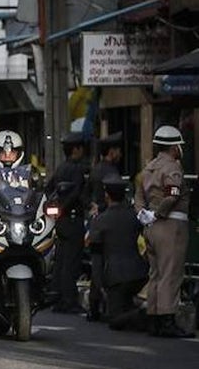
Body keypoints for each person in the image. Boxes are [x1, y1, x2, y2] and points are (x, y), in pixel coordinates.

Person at [135, 125, 193, 338]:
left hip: (150, 227)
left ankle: (154, 318)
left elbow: (139, 196)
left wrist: (144, 214)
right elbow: (172, 195)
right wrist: (159, 213)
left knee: (156, 273)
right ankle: (167, 319)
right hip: (171, 226)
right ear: (174, 147)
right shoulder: (172, 168)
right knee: (171, 273)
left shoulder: (148, 168)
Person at [87, 178, 149, 332]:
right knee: (124, 303)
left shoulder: (100, 221)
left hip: (115, 277)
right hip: (139, 272)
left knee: (114, 319)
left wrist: (95, 297)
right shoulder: (134, 216)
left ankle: (147, 313)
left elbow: (96, 260)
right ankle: (139, 313)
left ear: (107, 195)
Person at [47, 131, 90, 315]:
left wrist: (55, 207)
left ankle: (56, 296)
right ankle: (69, 300)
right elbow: (76, 193)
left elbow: (48, 188)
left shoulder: (60, 168)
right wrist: (64, 206)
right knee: (71, 261)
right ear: (76, 149)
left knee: (61, 259)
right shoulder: (77, 169)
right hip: (72, 218)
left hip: (61, 220)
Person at [87, 131, 123, 320]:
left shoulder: (96, 169)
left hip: (96, 221)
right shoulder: (110, 172)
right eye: (117, 150)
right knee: (106, 262)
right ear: (111, 151)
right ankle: (104, 302)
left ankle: (94, 304)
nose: (120, 154)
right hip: (107, 220)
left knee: (97, 264)